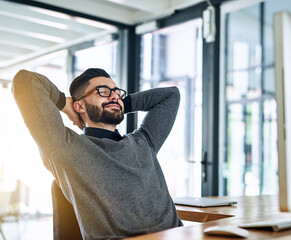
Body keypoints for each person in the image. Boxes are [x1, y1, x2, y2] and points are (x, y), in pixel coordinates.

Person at [12, 68, 183, 239]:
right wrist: (65, 104)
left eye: (117, 93)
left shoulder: (144, 141)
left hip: (177, 235)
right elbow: (26, 81)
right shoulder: (64, 146)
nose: (114, 96)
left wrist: (122, 103)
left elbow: (171, 95)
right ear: (79, 105)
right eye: (103, 91)